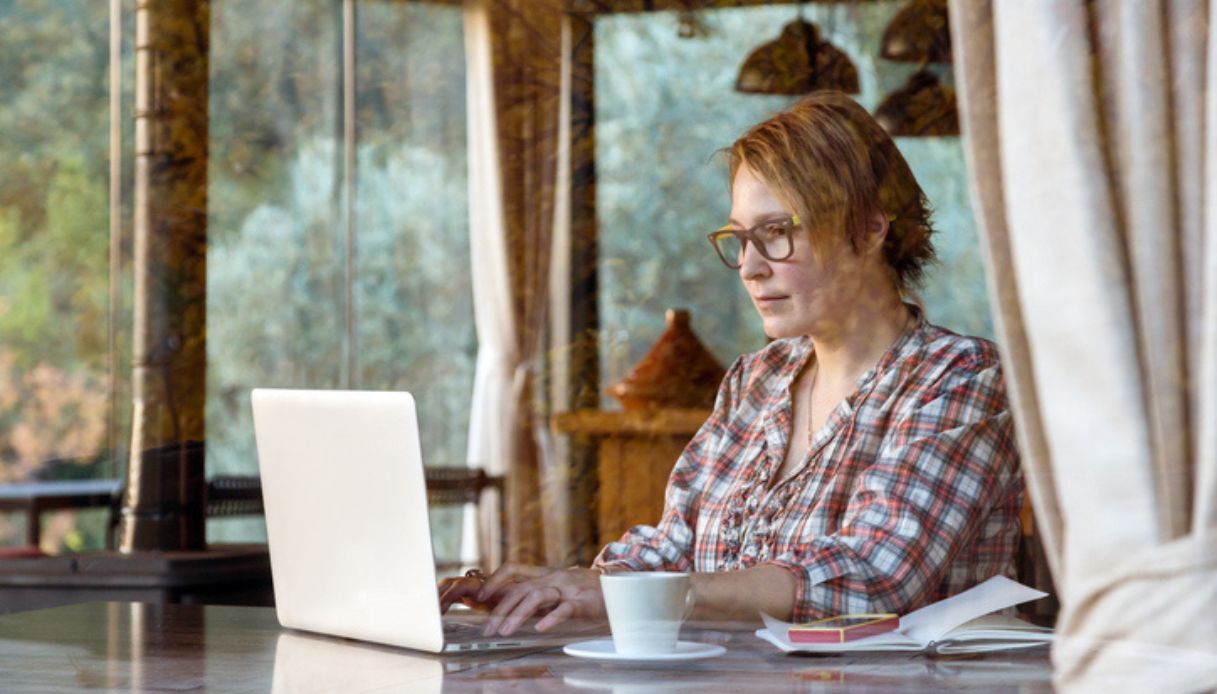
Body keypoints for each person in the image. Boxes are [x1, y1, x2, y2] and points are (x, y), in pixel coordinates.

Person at [439, 91, 1022, 638]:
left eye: (776, 233)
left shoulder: (961, 377)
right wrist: (565, 585)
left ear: (870, 228)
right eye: (740, 239)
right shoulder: (756, 380)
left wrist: (629, 596)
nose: (749, 267)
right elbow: (674, 546)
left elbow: (872, 574)